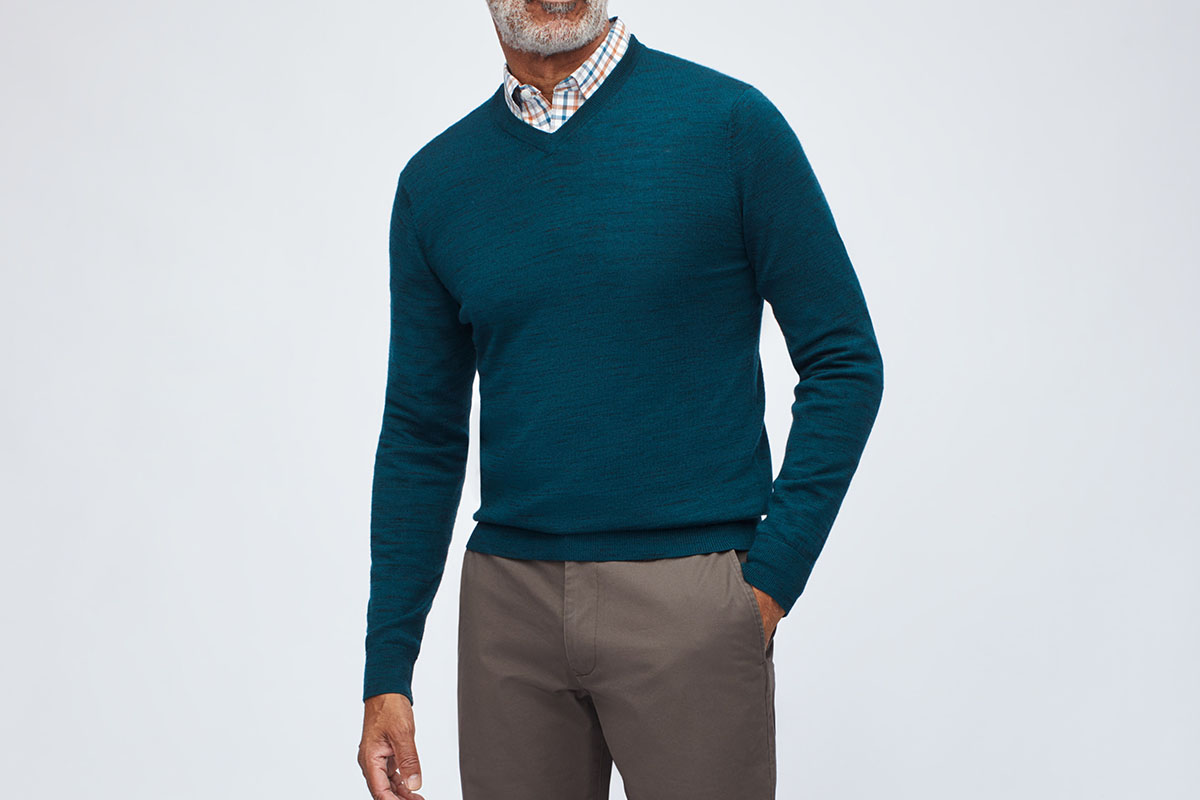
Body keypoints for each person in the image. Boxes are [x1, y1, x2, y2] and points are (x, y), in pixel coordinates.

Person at [357, 2, 884, 798]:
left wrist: (768, 582)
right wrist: (387, 669)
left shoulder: (730, 128)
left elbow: (844, 359)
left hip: (690, 596)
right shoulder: (438, 183)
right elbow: (420, 434)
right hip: (508, 609)